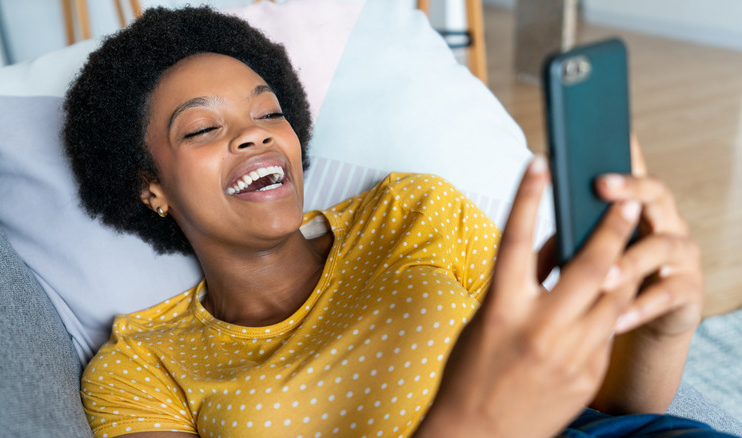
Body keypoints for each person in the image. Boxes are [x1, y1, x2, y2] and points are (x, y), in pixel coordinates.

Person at [64, 6, 722, 438]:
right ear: (149, 188)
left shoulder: (410, 211)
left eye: (270, 115)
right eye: (204, 127)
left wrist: (664, 333)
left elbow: (604, 415)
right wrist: (476, 424)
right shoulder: (140, 366)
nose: (254, 138)